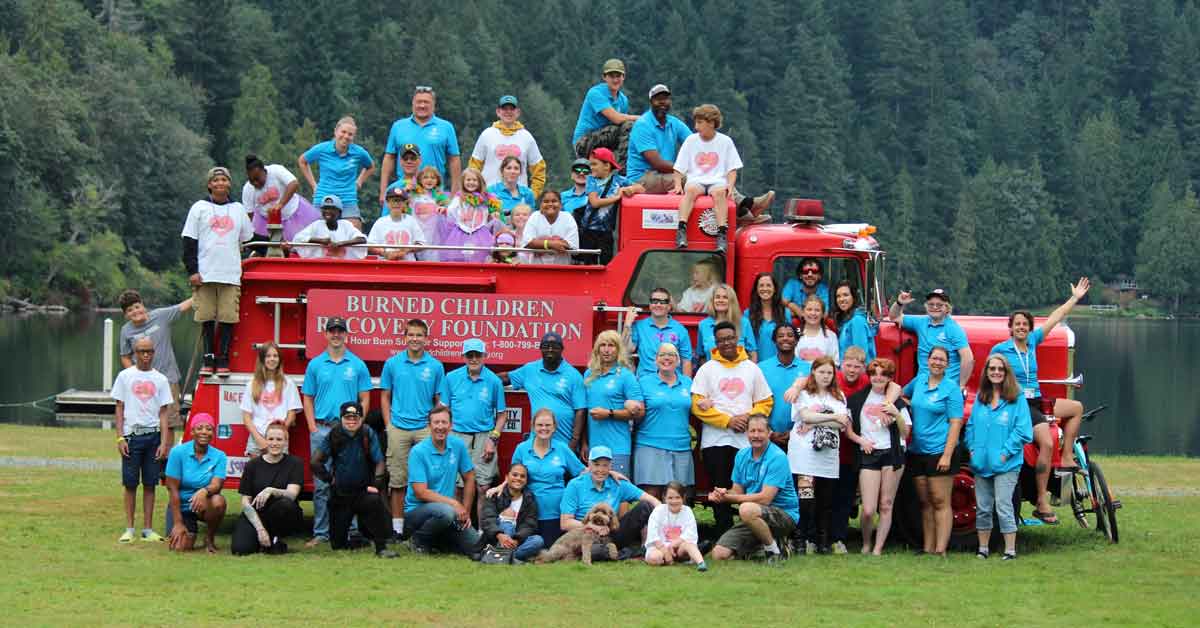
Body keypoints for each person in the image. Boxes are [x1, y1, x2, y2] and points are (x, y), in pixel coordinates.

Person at [990, 278, 1090, 524]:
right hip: (1018, 405)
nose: (1021, 328)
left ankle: (1067, 456)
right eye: (1017, 324)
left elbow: (1056, 317)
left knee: (1076, 408)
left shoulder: (1033, 341)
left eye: (1025, 324)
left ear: (1029, 327)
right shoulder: (1001, 350)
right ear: (1011, 328)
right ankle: (1042, 501)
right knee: (1046, 443)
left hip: (1037, 400)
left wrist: (1075, 298)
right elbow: (990, 378)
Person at [626, 83, 773, 216]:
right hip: (643, 177)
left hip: (663, 174)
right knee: (693, 178)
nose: (662, 103)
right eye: (658, 99)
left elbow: (697, 143)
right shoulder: (643, 125)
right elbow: (657, 163)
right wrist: (694, 170)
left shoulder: (673, 123)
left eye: (666, 99)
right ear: (651, 102)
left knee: (711, 177)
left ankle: (743, 211)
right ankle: (745, 208)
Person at [691, 321, 773, 536]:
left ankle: (749, 533)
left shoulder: (752, 369)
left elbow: (766, 402)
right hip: (715, 441)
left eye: (730, 338)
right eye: (721, 340)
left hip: (746, 442)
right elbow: (697, 405)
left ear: (737, 339)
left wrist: (747, 418)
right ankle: (723, 534)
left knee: (747, 489)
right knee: (719, 488)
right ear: (715, 343)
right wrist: (727, 421)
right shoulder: (706, 369)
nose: (726, 343)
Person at [301, 317, 372, 548]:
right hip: (322, 429)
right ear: (326, 334)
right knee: (321, 484)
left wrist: (356, 425)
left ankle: (350, 531)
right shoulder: (315, 364)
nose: (336, 334)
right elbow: (308, 398)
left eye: (340, 331)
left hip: (348, 431)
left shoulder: (358, 364)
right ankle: (321, 533)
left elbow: (365, 397)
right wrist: (312, 426)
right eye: (332, 331)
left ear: (346, 335)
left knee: (349, 482)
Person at [181, 166, 253, 376]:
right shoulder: (199, 208)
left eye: (224, 180)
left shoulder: (238, 209)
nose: (220, 183)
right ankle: (208, 357)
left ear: (229, 184)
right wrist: (192, 270)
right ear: (210, 184)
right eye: (216, 180)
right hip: (205, 273)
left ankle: (223, 357)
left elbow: (248, 239)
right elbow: (189, 241)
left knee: (228, 316)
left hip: (230, 274)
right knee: (206, 316)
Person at [380, 318, 446, 539]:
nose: (415, 339)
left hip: (425, 429)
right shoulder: (392, 364)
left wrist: (435, 426)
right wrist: (389, 425)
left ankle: (425, 527)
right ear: (404, 337)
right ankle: (398, 529)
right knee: (398, 480)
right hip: (398, 427)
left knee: (428, 480)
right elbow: (385, 395)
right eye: (411, 335)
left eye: (419, 335)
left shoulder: (436, 366)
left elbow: (439, 400)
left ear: (426, 339)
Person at [309, 402, 397, 558]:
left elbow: (380, 462)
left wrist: (375, 484)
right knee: (338, 546)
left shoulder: (367, 433)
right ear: (341, 418)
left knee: (375, 502)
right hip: (340, 495)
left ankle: (381, 547)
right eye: (348, 418)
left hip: (363, 491)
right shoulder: (334, 434)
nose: (351, 421)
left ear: (361, 418)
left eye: (355, 418)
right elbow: (315, 462)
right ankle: (355, 541)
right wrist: (330, 479)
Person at [967, 355, 1033, 560]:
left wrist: (1005, 454)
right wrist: (972, 450)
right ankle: (983, 549)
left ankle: (1010, 550)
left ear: (1006, 373)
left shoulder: (1017, 398)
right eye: (992, 368)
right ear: (986, 372)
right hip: (981, 463)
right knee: (983, 507)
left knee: (1004, 505)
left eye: (1000, 369)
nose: (996, 372)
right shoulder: (981, 397)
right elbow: (970, 426)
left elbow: (1023, 431)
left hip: (1007, 464)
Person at [708, 415, 799, 564]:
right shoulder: (741, 455)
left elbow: (765, 498)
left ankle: (774, 552)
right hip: (753, 515)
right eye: (752, 431)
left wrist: (730, 499)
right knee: (719, 554)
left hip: (783, 514)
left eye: (760, 431)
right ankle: (766, 545)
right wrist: (722, 493)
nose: (756, 435)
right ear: (747, 433)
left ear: (769, 432)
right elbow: (736, 491)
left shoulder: (777, 457)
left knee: (746, 509)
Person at [901, 346, 965, 556]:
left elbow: (956, 422)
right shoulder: (918, 381)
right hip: (917, 450)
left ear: (947, 364)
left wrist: (947, 455)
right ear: (927, 361)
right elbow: (902, 395)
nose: (937, 362)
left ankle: (940, 549)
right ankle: (927, 547)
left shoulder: (951, 389)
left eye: (942, 360)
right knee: (925, 502)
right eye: (934, 358)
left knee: (940, 500)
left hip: (940, 450)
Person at [846, 358, 910, 555]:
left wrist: (896, 414)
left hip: (892, 454)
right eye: (874, 374)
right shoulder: (857, 399)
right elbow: (848, 431)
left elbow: (905, 433)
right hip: (869, 454)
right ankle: (866, 542)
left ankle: (878, 548)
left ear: (890, 378)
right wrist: (861, 441)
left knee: (886, 504)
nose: (878, 378)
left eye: (883, 374)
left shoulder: (897, 402)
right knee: (868, 508)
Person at [112, 337, 173, 544]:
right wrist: (120, 437)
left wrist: (164, 442)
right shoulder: (125, 376)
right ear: (134, 353)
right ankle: (129, 528)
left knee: (150, 483)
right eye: (141, 351)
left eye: (149, 351)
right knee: (130, 483)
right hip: (132, 435)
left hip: (153, 436)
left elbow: (164, 412)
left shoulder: (161, 380)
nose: (145, 355)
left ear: (154, 353)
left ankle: (147, 529)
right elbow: (119, 407)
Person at [788, 356, 848, 555]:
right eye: (821, 371)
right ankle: (800, 539)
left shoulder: (838, 396)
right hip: (804, 456)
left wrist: (816, 421)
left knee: (825, 500)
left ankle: (822, 541)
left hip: (828, 457)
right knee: (806, 499)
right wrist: (831, 416)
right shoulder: (803, 394)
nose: (825, 376)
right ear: (813, 372)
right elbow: (804, 416)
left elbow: (843, 424)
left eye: (829, 372)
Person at [444, 338, 507, 523]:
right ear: (463, 356)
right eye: (469, 355)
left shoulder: (493, 381)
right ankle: (456, 529)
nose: (473, 359)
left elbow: (502, 415)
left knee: (483, 487)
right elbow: (444, 410)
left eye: (477, 355)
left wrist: (493, 439)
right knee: (457, 487)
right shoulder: (451, 378)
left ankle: (482, 532)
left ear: (484, 356)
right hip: (457, 437)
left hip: (484, 437)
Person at [404, 406, 480, 555]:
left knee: (476, 547)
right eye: (436, 422)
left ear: (450, 425)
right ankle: (417, 539)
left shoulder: (457, 445)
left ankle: (437, 542)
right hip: (417, 513)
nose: (440, 427)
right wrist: (454, 503)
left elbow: (470, 477)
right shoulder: (418, 451)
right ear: (429, 425)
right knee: (445, 513)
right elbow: (420, 492)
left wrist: (466, 511)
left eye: (444, 422)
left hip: (447, 512)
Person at [559, 446, 662, 557]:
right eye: (596, 464)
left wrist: (665, 514)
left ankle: (645, 547)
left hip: (611, 533)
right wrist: (592, 527)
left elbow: (651, 499)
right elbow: (565, 523)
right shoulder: (575, 485)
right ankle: (625, 553)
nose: (600, 470)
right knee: (594, 551)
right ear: (589, 465)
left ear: (610, 466)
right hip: (585, 535)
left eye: (605, 465)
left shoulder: (617, 483)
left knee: (645, 506)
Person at [118, 289, 191, 441]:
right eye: (130, 310)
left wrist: (204, 291)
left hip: (168, 379)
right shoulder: (126, 331)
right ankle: (151, 459)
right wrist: (134, 375)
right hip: (144, 384)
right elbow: (125, 356)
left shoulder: (160, 316)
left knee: (169, 422)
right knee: (146, 421)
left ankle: (166, 458)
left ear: (143, 305)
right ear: (125, 314)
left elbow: (184, 305)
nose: (135, 312)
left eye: (137, 307)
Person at [509, 409, 586, 544]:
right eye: (540, 425)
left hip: (556, 513)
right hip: (528, 513)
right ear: (533, 427)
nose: (544, 428)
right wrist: (499, 487)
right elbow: (513, 477)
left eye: (548, 425)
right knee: (531, 547)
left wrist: (608, 472)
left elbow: (582, 473)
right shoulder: (521, 449)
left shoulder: (562, 448)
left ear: (554, 427)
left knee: (550, 551)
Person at [671, 104, 742, 252]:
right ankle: (681, 229)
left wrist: (730, 184)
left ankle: (722, 233)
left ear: (711, 123)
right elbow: (678, 168)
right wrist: (678, 184)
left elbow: (732, 169)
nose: (696, 127)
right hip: (696, 180)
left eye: (699, 123)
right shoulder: (691, 141)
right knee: (689, 191)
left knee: (719, 193)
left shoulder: (725, 142)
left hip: (717, 180)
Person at [230, 421, 304, 555]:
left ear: (286, 442)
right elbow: (245, 501)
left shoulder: (295, 463)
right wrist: (260, 529)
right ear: (265, 440)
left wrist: (271, 490)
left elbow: (292, 495)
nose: (274, 443)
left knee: (285, 504)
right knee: (240, 549)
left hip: (281, 513)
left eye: (279, 439)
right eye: (270, 439)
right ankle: (264, 538)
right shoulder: (252, 465)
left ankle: (276, 537)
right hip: (257, 513)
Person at [503, 332, 587, 449]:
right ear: (540, 349)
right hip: (538, 443)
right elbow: (506, 378)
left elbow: (581, 411)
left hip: (565, 443)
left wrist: (574, 441)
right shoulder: (530, 370)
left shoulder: (574, 375)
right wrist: (482, 376)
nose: (550, 349)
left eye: (555, 346)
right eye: (546, 346)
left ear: (562, 349)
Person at [634, 343, 694, 501]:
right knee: (652, 496)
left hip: (681, 446)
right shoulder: (644, 382)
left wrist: (705, 402)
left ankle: (677, 527)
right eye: (662, 355)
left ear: (678, 360)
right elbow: (635, 409)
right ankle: (650, 527)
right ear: (655, 360)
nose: (666, 358)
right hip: (650, 444)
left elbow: (698, 406)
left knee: (679, 497)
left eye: (671, 354)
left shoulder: (688, 383)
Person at [583, 331, 644, 476]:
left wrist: (609, 414)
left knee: (618, 493)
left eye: (611, 345)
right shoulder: (589, 375)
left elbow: (640, 412)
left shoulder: (626, 376)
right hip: (594, 448)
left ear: (618, 350)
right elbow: (585, 412)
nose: (606, 349)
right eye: (603, 345)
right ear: (597, 349)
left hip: (618, 448)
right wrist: (584, 442)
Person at [381, 86, 462, 196]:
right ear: (413, 104)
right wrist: (383, 190)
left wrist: (455, 192)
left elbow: (454, 160)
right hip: (404, 189)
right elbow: (389, 158)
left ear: (433, 105)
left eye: (426, 102)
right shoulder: (398, 126)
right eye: (419, 102)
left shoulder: (446, 127)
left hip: (434, 191)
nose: (422, 105)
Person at [165, 413, 228, 553]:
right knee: (180, 548)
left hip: (204, 504)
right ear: (192, 431)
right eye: (199, 428)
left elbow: (217, 485)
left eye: (209, 428)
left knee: (218, 501)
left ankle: (209, 538)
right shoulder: (177, 452)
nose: (204, 432)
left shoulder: (220, 456)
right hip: (181, 505)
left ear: (213, 433)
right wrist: (178, 522)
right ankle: (187, 529)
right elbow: (172, 489)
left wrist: (204, 491)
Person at [298, 116, 375, 229]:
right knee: (315, 231)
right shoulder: (322, 149)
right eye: (343, 132)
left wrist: (359, 181)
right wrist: (314, 185)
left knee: (354, 231)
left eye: (350, 134)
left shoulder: (358, 152)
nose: (346, 136)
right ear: (336, 131)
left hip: (347, 198)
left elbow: (370, 166)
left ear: (353, 137)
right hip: (323, 197)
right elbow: (302, 161)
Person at [890, 288, 975, 391]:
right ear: (926, 307)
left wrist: (961, 386)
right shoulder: (920, 322)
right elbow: (894, 317)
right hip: (922, 381)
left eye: (939, 305)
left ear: (947, 308)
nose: (935, 307)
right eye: (931, 304)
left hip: (944, 385)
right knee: (895, 394)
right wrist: (900, 303)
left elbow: (968, 358)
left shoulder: (953, 329)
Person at [574, 147, 643, 265]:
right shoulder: (591, 180)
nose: (591, 167)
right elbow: (594, 202)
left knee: (607, 264)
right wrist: (616, 198)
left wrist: (629, 188)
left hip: (606, 232)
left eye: (595, 164)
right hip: (589, 230)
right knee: (589, 265)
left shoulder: (619, 181)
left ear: (607, 166)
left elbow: (641, 188)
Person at [469, 95, 547, 198]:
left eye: (512, 109)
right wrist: (476, 193)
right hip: (489, 197)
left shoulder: (527, 137)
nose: (508, 112)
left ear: (518, 112)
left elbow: (539, 170)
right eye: (504, 109)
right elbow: (473, 168)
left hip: (518, 201)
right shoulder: (486, 135)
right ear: (498, 112)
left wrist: (531, 195)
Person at [239, 341, 302, 457]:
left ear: (280, 359)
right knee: (255, 473)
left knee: (278, 473)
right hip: (256, 436)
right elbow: (246, 417)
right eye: (268, 356)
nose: (272, 359)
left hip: (279, 437)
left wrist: (279, 434)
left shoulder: (288, 383)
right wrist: (258, 439)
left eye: (275, 356)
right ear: (262, 359)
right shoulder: (252, 384)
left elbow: (291, 414)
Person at [242, 154, 320, 242]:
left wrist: (280, 204)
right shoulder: (248, 189)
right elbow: (249, 215)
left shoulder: (276, 170)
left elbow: (294, 184)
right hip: (266, 222)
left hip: (292, 215)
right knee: (268, 248)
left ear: (264, 171)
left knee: (298, 243)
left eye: (257, 179)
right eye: (252, 180)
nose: (255, 183)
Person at [572, 58, 640, 159]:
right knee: (629, 125)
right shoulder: (595, 93)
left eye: (618, 76)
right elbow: (616, 119)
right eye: (611, 76)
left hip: (605, 140)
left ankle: (632, 162)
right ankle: (624, 170)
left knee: (634, 129)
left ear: (623, 77)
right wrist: (644, 118)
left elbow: (621, 126)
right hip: (584, 143)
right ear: (604, 77)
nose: (615, 80)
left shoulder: (623, 100)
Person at [476, 463, 544, 562]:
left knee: (538, 540)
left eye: (522, 476)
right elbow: (487, 519)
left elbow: (530, 524)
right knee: (508, 517)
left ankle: (502, 556)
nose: (518, 478)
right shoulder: (495, 494)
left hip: (516, 540)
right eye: (515, 475)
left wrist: (517, 539)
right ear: (507, 477)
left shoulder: (529, 498)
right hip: (496, 539)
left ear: (526, 480)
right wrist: (499, 535)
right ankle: (510, 557)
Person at [624, 287, 693, 377]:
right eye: (654, 301)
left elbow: (686, 361)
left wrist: (686, 386)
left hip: (672, 382)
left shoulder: (680, 330)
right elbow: (626, 350)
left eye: (663, 302)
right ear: (650, 304)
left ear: (669, 306)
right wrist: (627, 324)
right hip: (646, 381)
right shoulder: (639, 326)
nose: (658, 305)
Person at [644, 481, 706, 571]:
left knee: (690, 546)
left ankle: (701, 563)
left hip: (679, 546)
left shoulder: (687, 511)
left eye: (677, 497)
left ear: (683, 498)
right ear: (664, 498)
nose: (674, 501)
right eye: (670, 498)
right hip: (660, 547)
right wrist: (664, 549)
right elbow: (653, 534)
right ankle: (667, 559)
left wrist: (674, 544)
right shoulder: (658, 511)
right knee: (655, 558)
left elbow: (690, 533)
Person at [759, 324, 802, 449]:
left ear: (797, 340)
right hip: (768, 437)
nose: (785, 339)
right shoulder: (761, 368)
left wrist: (795, 432)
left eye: (790, 335)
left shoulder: (808, 368)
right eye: (780, 336)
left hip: (800, 436)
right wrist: (769, 433)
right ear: (774, 340)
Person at [290, 195, 367, 259]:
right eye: (325, 208)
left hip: (343, 265)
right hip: (321, 265)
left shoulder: (345, 225)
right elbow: (298, 238)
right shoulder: (317, 225)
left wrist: (341, 244)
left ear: (339, 212)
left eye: (332, 208)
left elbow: (362, 239)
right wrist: (320, 241)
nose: (327, 211)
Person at [695, 283, 750, 368]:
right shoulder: (703, 325)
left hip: (739, 376)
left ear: (731, 301)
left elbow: (752, 353)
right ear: (712, 300)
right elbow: (701, 356)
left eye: (725, 297)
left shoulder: (744, 323)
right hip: (713, 376)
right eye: (717, 297)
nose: (720, 300)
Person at [520, 190, 579, 265]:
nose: (550, 204)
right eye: (546, 201)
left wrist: (538, 243)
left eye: (554, 201)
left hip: (562, 269)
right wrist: (550, 244)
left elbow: (572, 245)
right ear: (541, 205)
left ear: (560, 205)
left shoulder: (568, 217)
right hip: (537, 269)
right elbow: (527, 242)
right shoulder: (535, 216)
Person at [367, 187, 426, 260]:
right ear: (387, 203)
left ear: (405, 203)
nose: (396, 204)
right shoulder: (380, 222)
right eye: (393, 201)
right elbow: (370, 245)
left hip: (408, 265)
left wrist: (406, 250)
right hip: (385, 265)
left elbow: (421, 243)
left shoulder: (411, 221)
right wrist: (385, 253)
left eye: (399, 201)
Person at [744, 272, 787, 363]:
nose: (765, 289)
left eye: (768, 285)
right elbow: (746, 345)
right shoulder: (748, 314)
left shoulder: (785, 313)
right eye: (761, 286)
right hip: (756, 366)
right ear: (756, 289)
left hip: (780, 365)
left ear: (775, 289)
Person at [794, 294, 840, 375]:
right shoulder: (794, 334)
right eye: (809, 309)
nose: (813, 313)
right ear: (803, 312)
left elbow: (835, 365)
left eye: (817, 310)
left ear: (822, 314)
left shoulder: (831, 336)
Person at [832, 280, 876, 364]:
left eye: (846, 295)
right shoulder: (846, 321)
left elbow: (860, 356)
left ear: (854, 297)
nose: (841, 299)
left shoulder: (857, 321)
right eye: (838, 296)